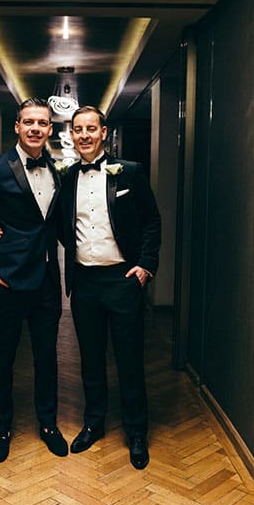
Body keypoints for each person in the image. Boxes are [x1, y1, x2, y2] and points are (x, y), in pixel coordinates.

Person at [0, 97, 68, 463]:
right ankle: (2, 429)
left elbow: (52, 223)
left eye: (42, 122)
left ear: (50, 128)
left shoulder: (57, 170)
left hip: (46, 283)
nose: (36, 128)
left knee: (47, 358)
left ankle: (48, 425)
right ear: (17, 126)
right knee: (2, 360)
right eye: (29, 122)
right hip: (5, 281)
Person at [61, 105, 161, 469]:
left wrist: (146, 266)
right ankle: (93, 423)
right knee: (90, 360)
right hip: (84, 281)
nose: (84, 135)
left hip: (123, 280)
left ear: (104, 132)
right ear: (71, 135)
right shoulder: (68, 176)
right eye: (78, 129)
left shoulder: (130, 172)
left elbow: (151, 221)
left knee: (129, 359)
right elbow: (51, 221)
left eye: (91, 128)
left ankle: (136, 432)